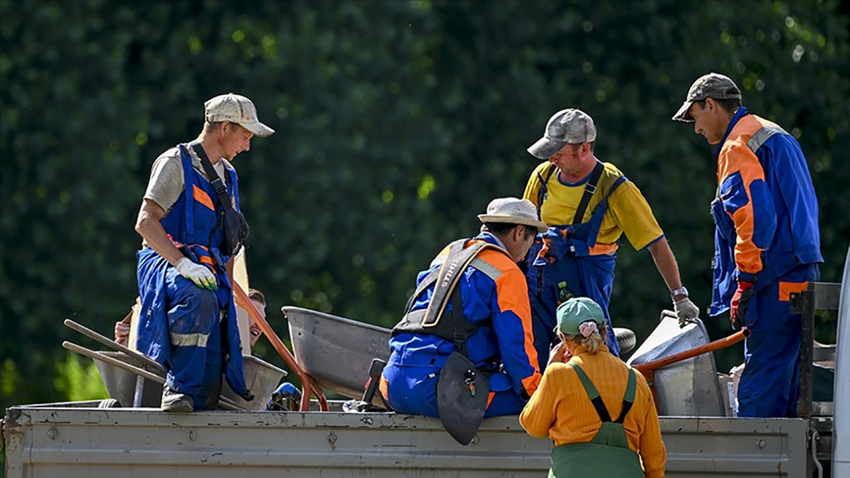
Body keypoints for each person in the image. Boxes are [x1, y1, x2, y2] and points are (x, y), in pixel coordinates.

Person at [672, 73, 822, 417]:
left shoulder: (737, 144)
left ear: (711, 105)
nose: (696, 129)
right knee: (790, 384)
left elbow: (754, 217)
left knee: (760, 384)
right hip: (802, 269)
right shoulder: (775, 134)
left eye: (695, 117)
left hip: (772, 277)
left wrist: (746, 280)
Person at [134, 92, 274, 412]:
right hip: (165, 262)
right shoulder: (175, 163)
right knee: (199, 296)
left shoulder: (229, 177)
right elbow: (145, 223)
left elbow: (228, 244)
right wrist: (182, 264)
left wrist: (228, 297)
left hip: (206, 269)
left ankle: (196, 411)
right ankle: (176, 389)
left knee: (216, 353)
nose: (247, 146)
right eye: (245, 135)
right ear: (225, 127)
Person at [523, 108, 697, 365]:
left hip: (586, 290)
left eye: (558, 153)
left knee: (595, 362)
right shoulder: (542, 176)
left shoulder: (614, 187)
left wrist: (679, 297)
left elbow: (657, 244)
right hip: (537, 287)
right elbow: (521, 230)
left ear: (583, 149)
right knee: (530, 362)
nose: (552, 159)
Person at [381, 198, 545, 424]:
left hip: (391, 385)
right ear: (519, 232)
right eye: (532, 240)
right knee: (536, 399)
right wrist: (537, 394)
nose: (529, 252)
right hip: (435, 389)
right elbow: (516, 347)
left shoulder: (449, 251)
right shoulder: (507, 271)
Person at [520, 297, 665, 477]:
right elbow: (654, 454)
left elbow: (534, 426)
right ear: (605, 332)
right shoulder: (637, 380)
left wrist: (549, 367)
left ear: (563, 339)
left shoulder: (558, 375)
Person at [114, 287, 267, 348]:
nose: (260, 327)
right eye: (254, 317)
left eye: (263, 320)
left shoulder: (256, 370)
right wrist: (129, 337)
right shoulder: (205, 343)